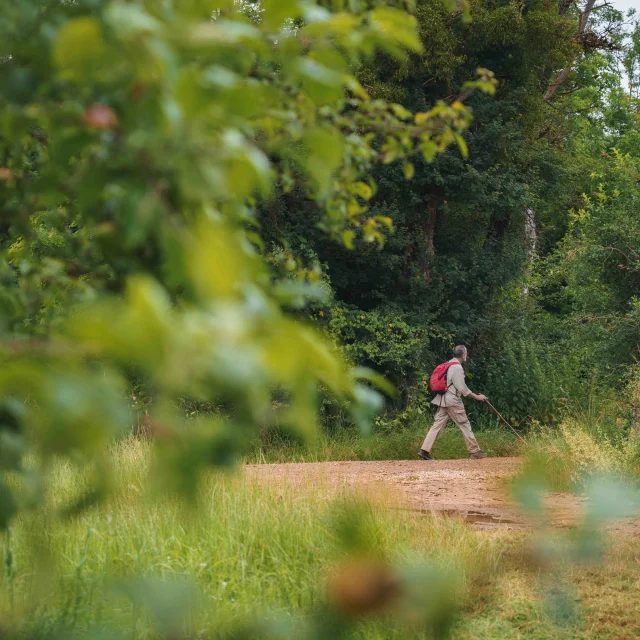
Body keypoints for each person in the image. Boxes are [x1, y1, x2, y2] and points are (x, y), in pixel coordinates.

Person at [418, 345, 488, 460]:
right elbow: (462, 387)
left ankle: (424, 450)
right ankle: (474, 452)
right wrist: (477, 396)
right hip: (453, 401)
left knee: (437, 425)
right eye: (466, 354)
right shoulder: (457, 368)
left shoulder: (448, 364)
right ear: (463, 355)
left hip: (442, 400)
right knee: (464, 424)